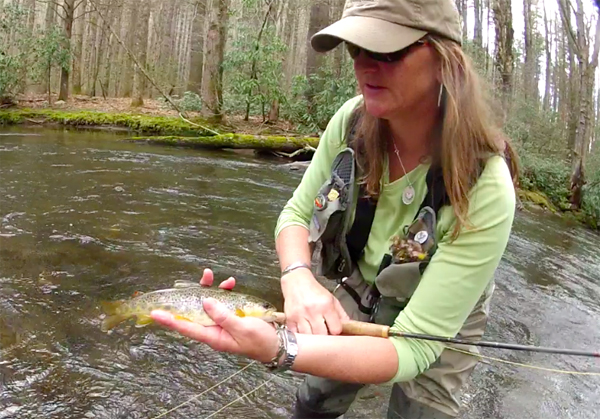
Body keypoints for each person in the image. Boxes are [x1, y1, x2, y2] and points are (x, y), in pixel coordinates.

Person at [151, 0, 518, 418]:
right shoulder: (351, 121)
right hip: (368, 275)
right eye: (355, 49)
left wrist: (281, 349)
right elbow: (294, 215)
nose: (365, 66)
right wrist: (298, 278)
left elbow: (414, 346)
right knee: (316, 398)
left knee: (421, 409)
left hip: (442, 307)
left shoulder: (485, 186)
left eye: (386, 51)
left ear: (443, 59)